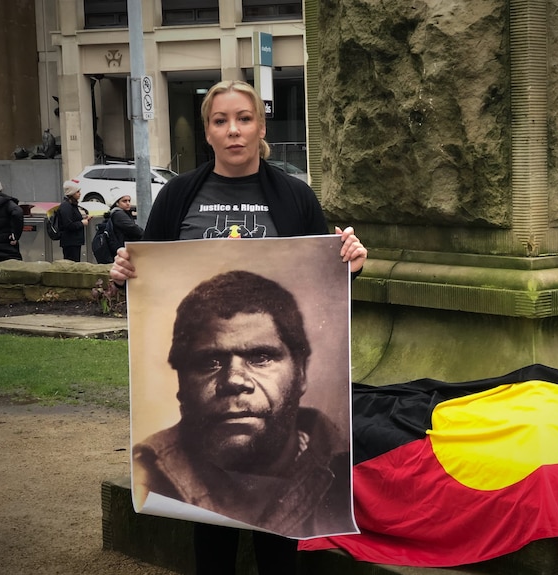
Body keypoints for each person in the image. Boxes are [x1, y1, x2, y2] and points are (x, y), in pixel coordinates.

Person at [110, 79, 367, 575]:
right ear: (207, 131)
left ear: (261, 127)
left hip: (280, 451)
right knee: (210, 536)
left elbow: (326, 280)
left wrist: (351, 263)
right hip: (205, 446)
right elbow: (148, 283)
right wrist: (124, 275)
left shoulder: (294, 196)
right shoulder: (178, 197)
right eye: (221, 121)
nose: (233, 131)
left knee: (278, 545)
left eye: (244, 119)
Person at [132, 271, 352, 537]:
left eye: (260, 357)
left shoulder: (347, 465)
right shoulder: (148, 473)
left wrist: (351, 266)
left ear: (301, 373)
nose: (234, 380)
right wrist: (128, 278)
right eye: (210, 361)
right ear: (181, 382)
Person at [58, 180, 92, 262]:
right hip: (70, 242)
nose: (80, 193)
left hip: (75, 241)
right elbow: (68, 225)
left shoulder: (73, 205)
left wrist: (84, 219)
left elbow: (74, 219)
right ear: (71, 193)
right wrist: (82, 223)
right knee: (71, 263)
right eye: (77, 192)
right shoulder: (66, 206)